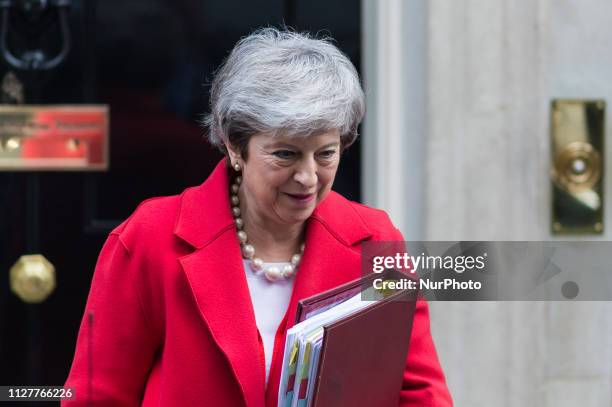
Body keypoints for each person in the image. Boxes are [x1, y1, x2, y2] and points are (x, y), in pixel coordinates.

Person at [64, 28, 452, 406]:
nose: (307, 177)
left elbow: (419, 393)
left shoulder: (375, 240)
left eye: (325, 154)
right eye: (285, 154)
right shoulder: (150, 237)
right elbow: (97, 395)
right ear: (236, 146)